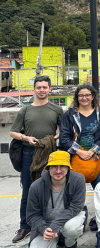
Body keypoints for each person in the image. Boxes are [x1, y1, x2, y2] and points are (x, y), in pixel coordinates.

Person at [10, 75, 63, 244]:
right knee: (28, 190)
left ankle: (49, 224)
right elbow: (13, 132)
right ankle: (25, 225)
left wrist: (54, 138)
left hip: (50, 155)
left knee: (52, 189)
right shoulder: (25, 110)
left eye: (44, 87)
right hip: (29, 154)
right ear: (34, 89)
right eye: (39, 87)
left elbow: (65, 129)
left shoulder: (56, 109)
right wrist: (26, 138)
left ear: (50, 89)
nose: (41, 90)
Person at [59, 83, 100, 232]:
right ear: (77, 97)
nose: (84, 98)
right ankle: (78, 220)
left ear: (93, 96)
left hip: (96, 158)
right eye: (81, 95)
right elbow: (63, 138)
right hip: (75, 158)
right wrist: (79, 151)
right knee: (73, 192)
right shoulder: (70, 115)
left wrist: (93, 151)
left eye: (87, 95)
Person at [26, 151, 87, 248]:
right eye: (54, 166)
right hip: (47, 223)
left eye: (62, 166)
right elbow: (32, 215)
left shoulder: (78, 180)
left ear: (68, 167)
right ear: (48, 168)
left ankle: (69, 243)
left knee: (72, 229)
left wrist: (56, 224)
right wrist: (44, 229)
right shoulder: (36, 186)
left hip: (70, 218)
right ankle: (56, 238)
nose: (58, 171)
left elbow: (76, 207)